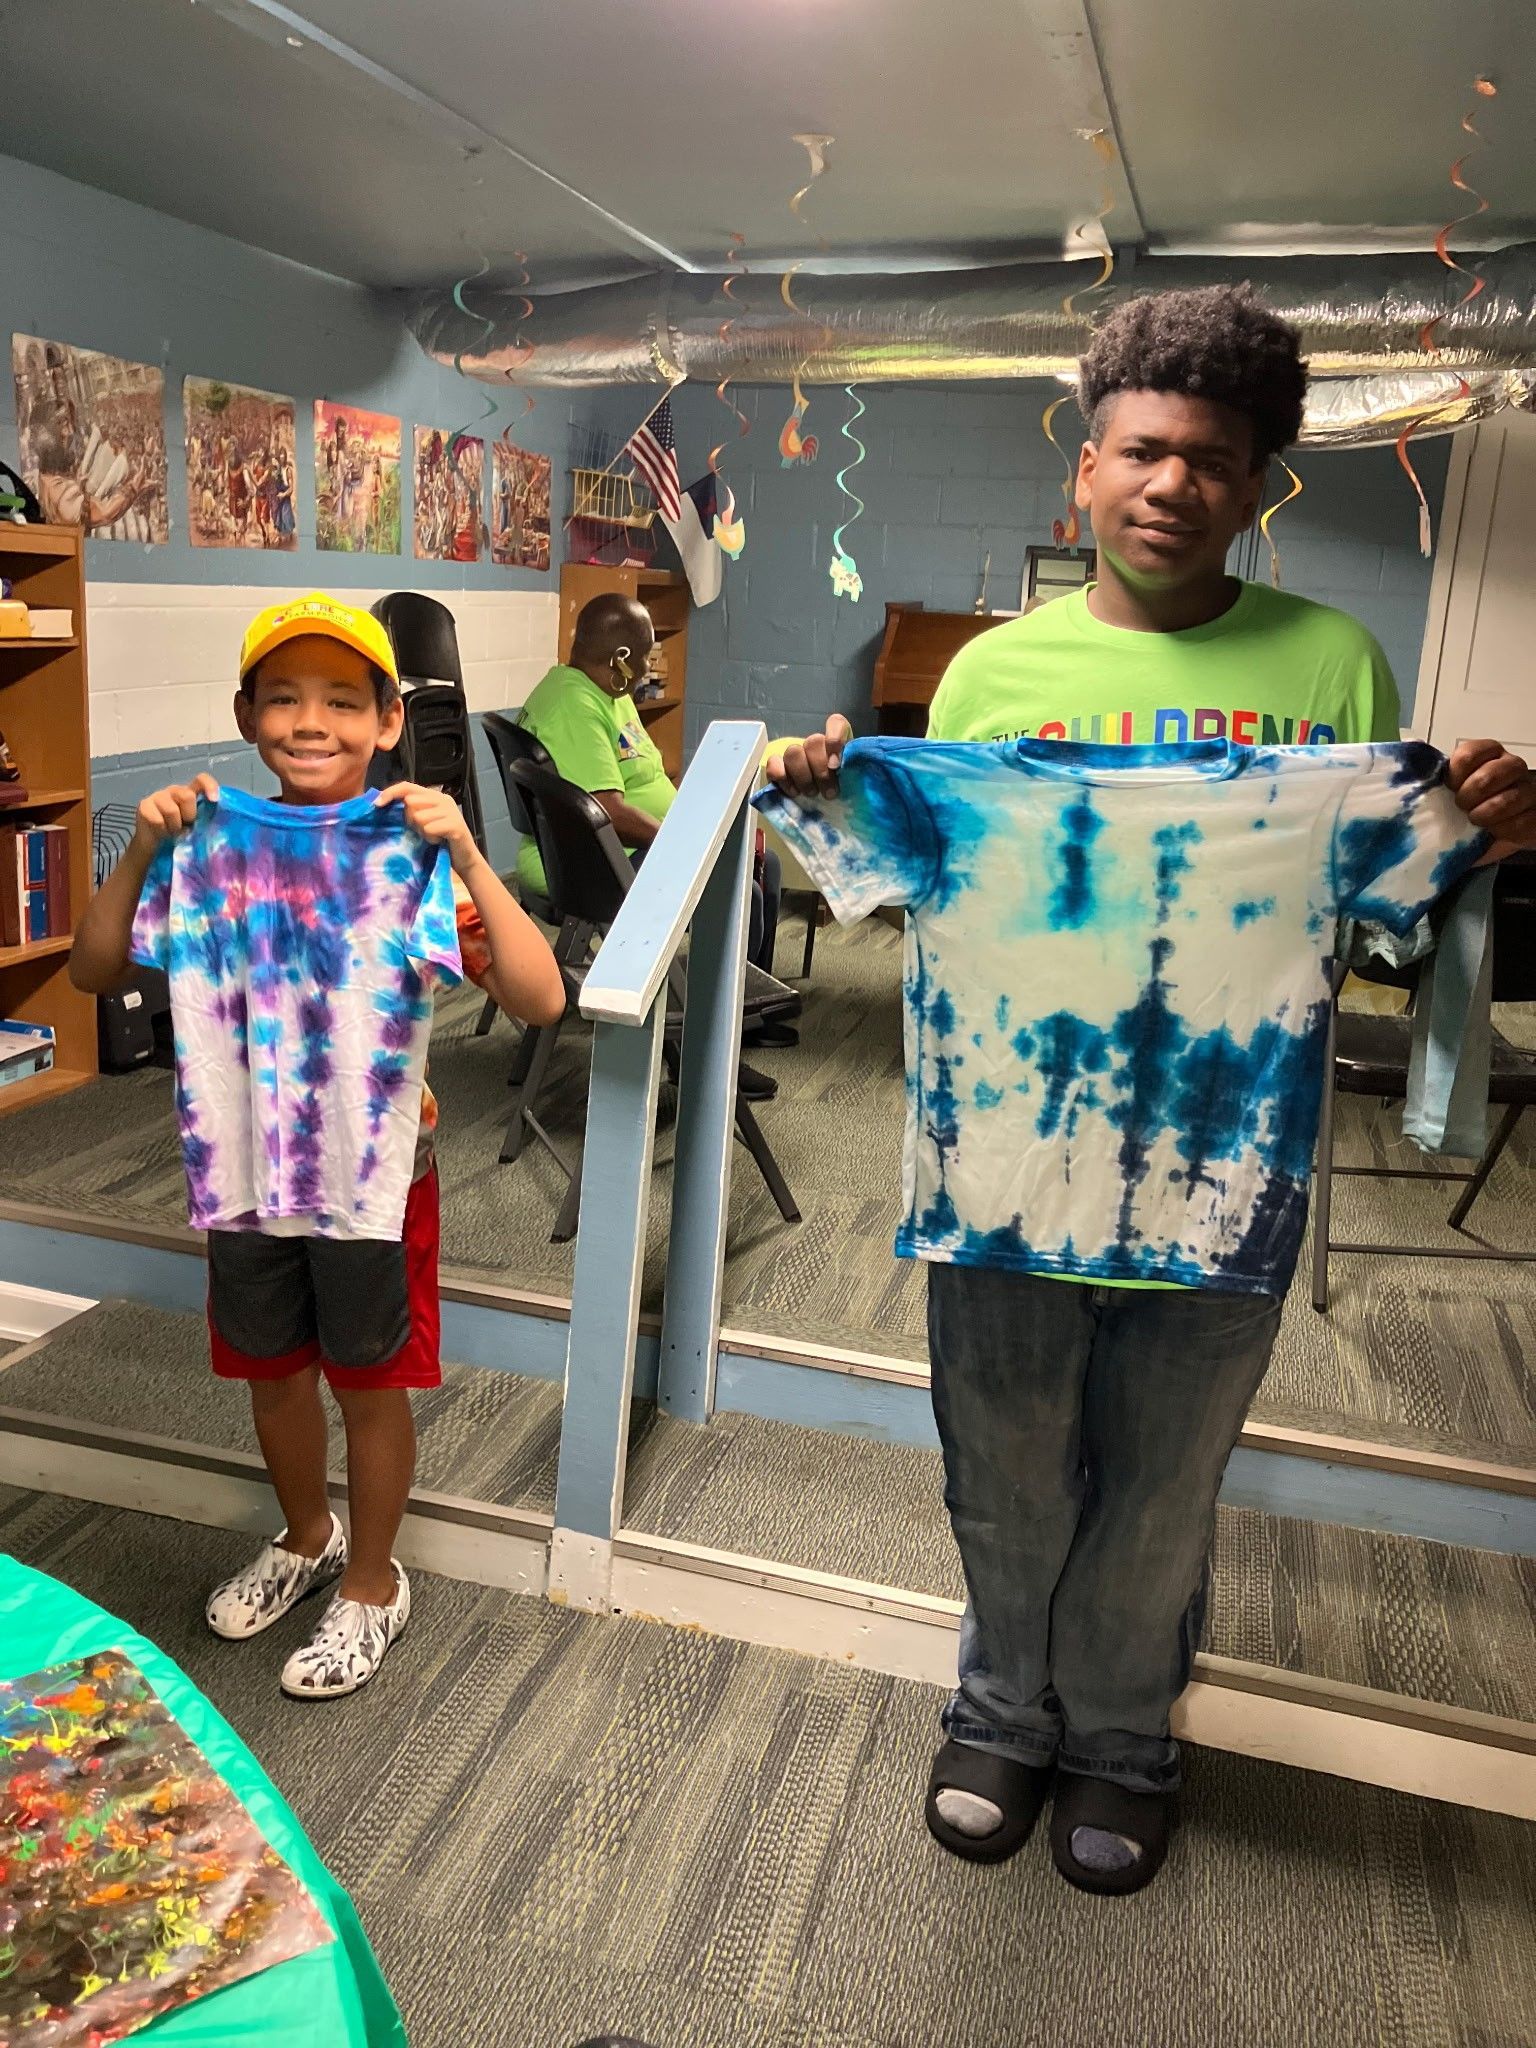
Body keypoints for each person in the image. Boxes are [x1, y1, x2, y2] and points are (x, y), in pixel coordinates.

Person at [767, 285, 1536, 1896]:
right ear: (1088, 470)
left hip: (1225, 1167)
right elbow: (885, 879)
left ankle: (1123, 1735)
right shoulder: (983, 683)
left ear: (1254, 485)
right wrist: (823, 787)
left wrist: (1478, 830)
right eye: (1143, 450)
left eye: (1212, 458)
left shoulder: (1334, 665)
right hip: (999, 1176)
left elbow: (1384, 899)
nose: (1172, 483)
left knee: (1165, 1487)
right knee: (1006, 1469)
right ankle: (998, 1712)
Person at [70, 594, 565, 1699]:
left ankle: (376, 1582)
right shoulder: (203, 840)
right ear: (246, 713)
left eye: (343, 699)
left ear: (389, 719)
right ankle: (308, 1536)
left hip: (373, 1178)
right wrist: (143, 841)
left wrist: (472, 855)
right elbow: (93, 974)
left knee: (369, 1381)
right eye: (284, 696)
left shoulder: (409, 847)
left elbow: (540, 996)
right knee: (275, 1372)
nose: (311, 720)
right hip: (243, 1171)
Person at [516, 594, 788, 1063]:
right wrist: (696, 844)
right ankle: (710, 1052)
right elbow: (605, 810)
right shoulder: (572, 705)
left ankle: (743, 1021)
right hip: (593, 862)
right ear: (620, 658)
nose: (647, 667)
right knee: (742, 892)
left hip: (617, 848)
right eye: (643, 656)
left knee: (768, 867)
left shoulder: (608, 693)